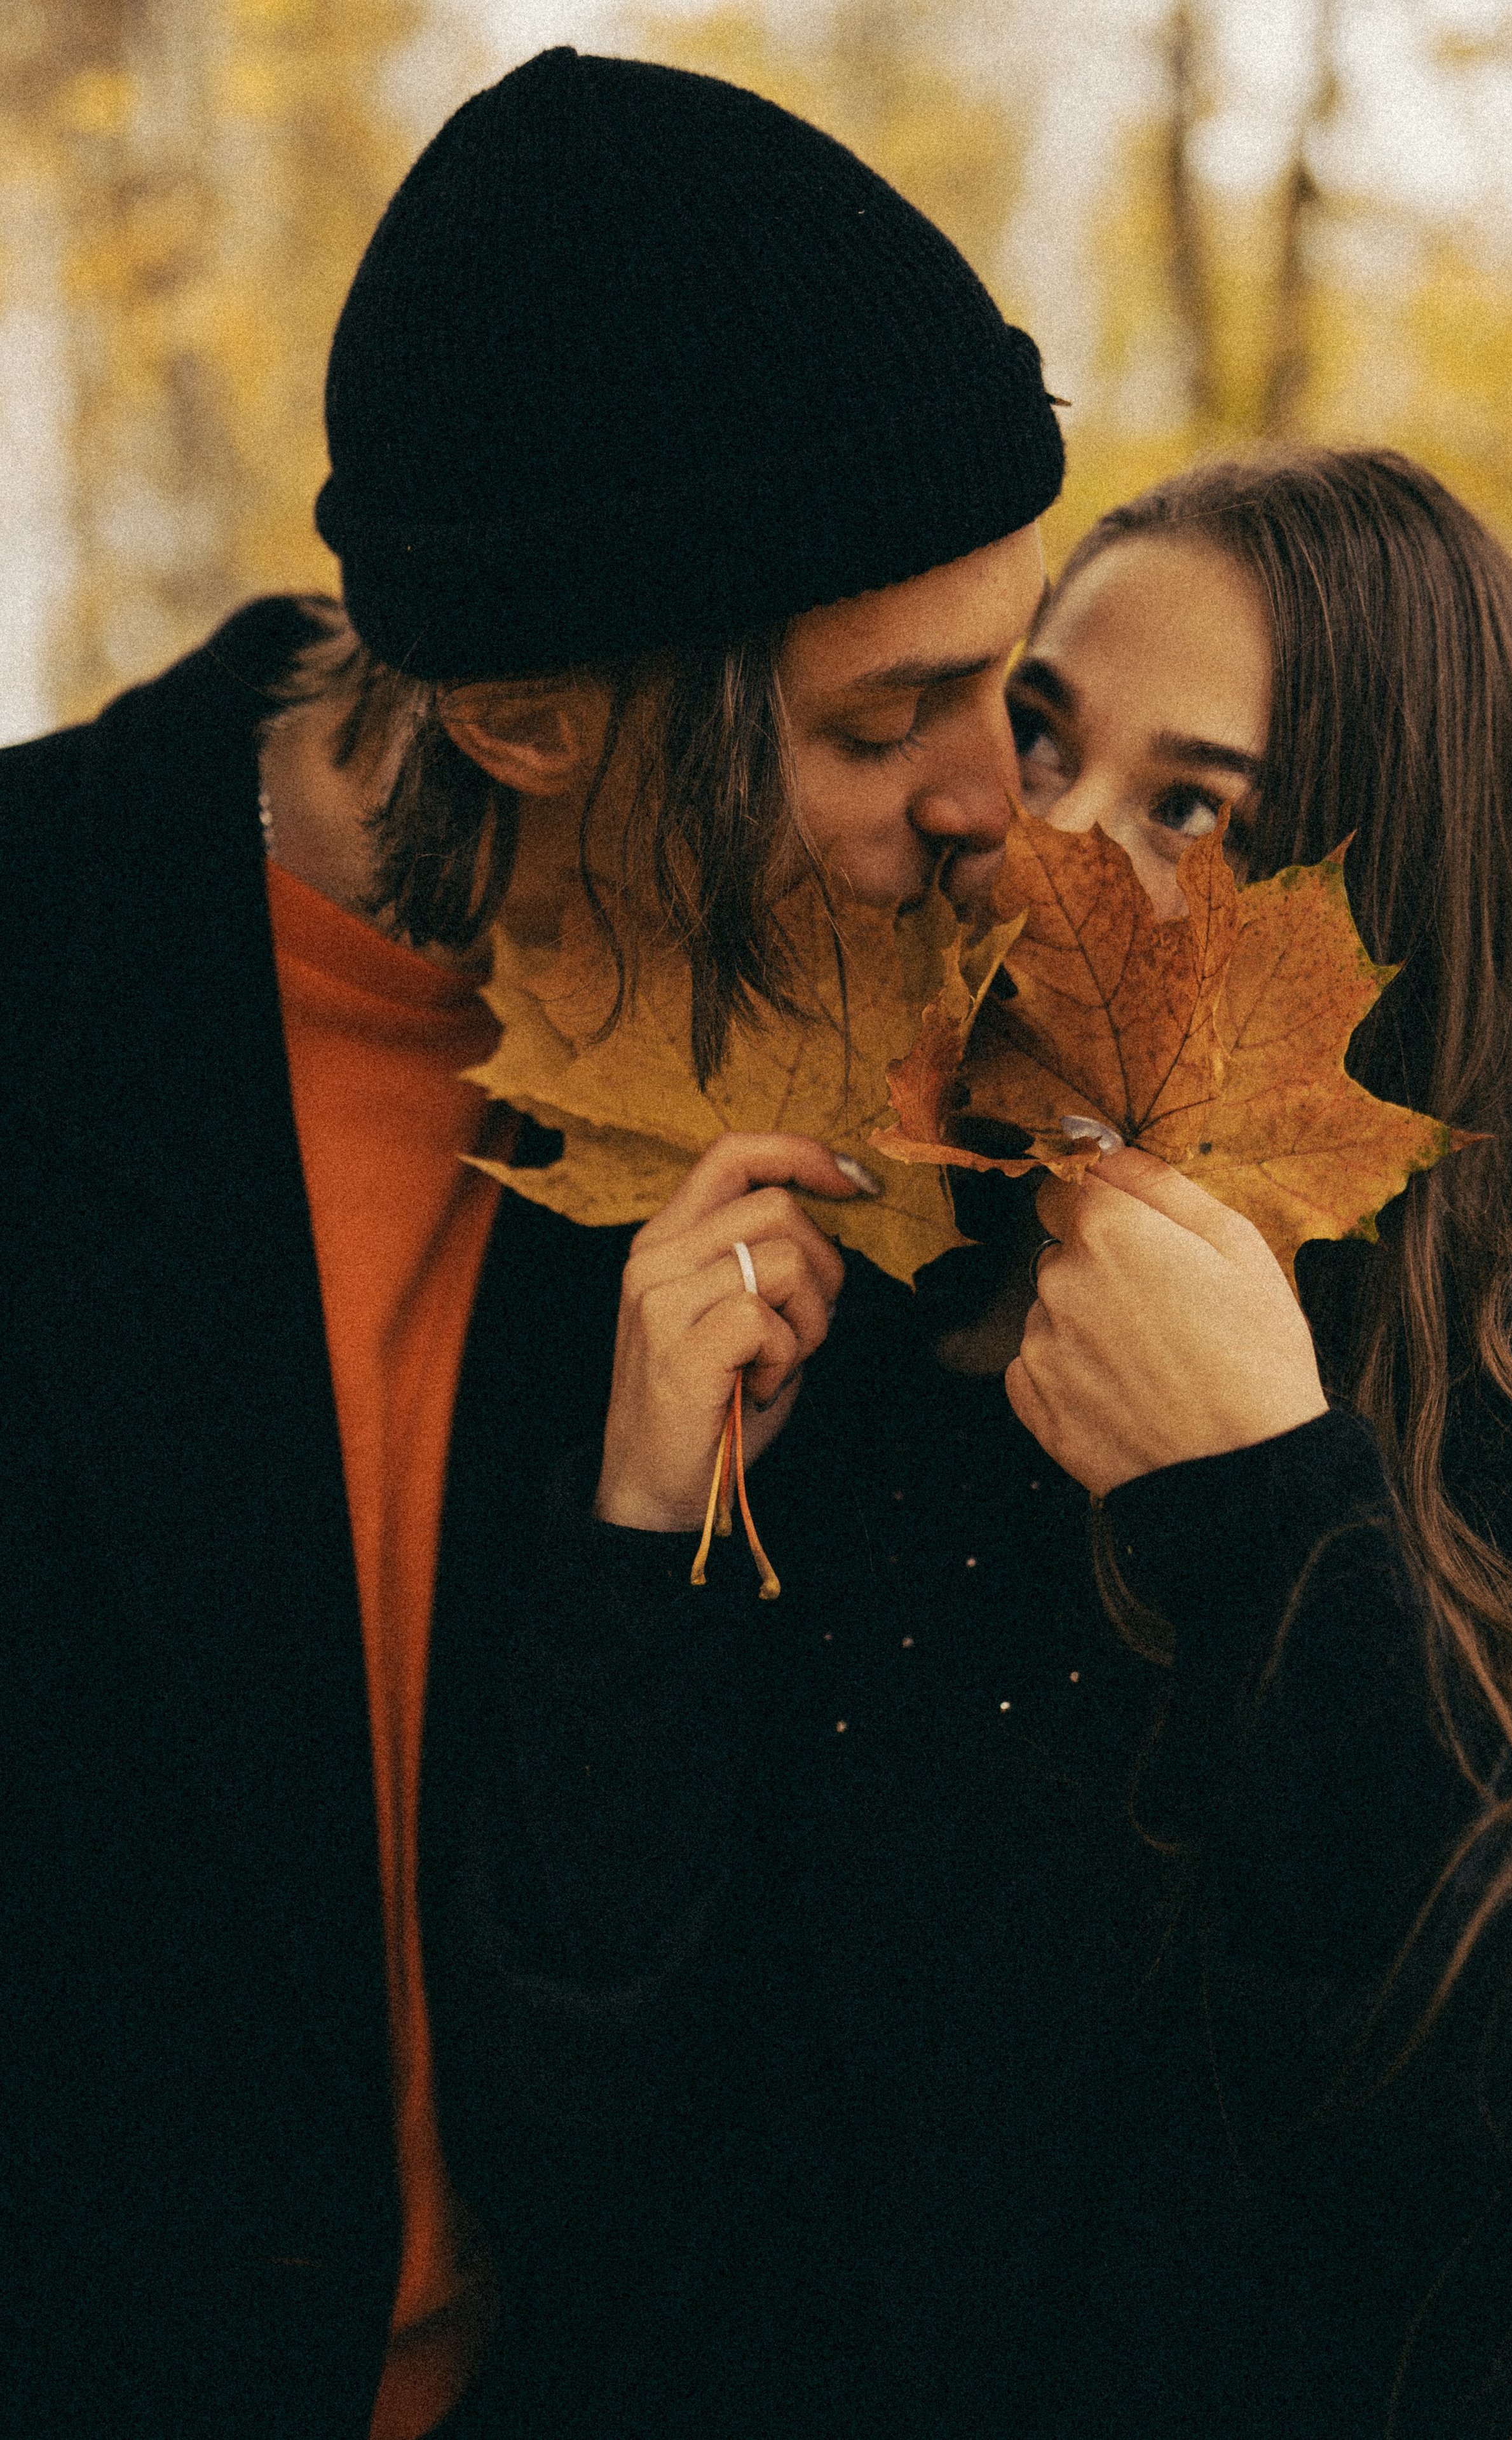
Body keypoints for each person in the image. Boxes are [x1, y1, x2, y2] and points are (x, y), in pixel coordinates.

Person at [0, 47, 1065, 2439]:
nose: (992, 798)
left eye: (1005, 677)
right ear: (521, 716)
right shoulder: (44, 989)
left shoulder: (884, 1084)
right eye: (891, 715)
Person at [971, 446, 1512, 2439]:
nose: (1047, 851)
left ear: (1391, 900)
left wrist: (1269, 1518)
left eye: (1189, 807)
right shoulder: (879, 1299)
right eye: (1036, 738)